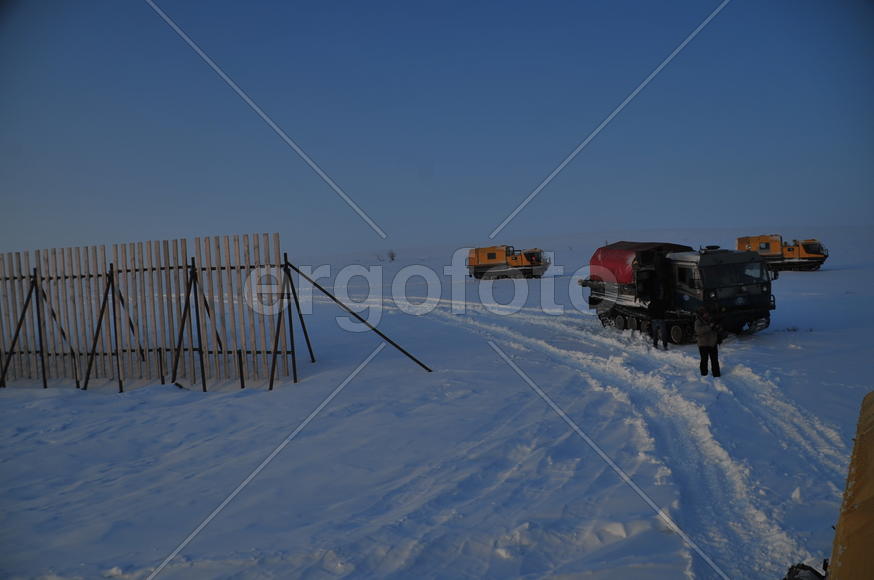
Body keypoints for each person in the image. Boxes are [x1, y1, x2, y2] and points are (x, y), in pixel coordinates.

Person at [694, 307, 721, 377]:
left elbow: (717, 329)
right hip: (703, 344)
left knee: (714, 360)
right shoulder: (698, 321)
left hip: (712, 343)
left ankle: (716, 374)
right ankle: (704, 374)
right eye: (705, 313)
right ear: (702, 314)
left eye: (707, 313)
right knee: (704, 360)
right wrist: (709, 327)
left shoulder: (712, 319)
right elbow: (698, 331)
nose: (707, 315)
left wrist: (718, 328)